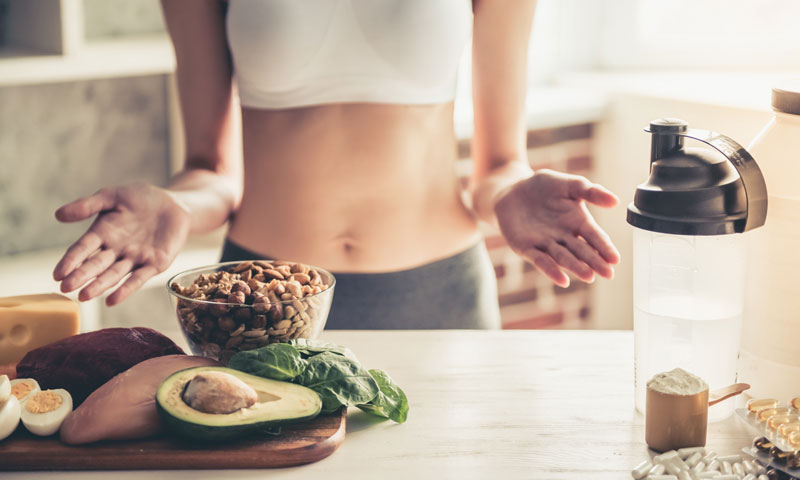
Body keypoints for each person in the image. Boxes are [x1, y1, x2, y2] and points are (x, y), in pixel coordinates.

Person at [52, 0, 620, 329]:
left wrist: (510, 192)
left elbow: (499, 163)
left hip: (439, 299)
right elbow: (211, 170)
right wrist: (177, 203)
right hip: (260, 306)